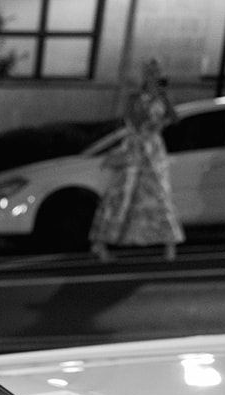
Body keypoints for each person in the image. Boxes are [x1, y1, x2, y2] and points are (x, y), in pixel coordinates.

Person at [89, 58, 185, 263]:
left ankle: (169, 246)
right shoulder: (135, 98)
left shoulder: (164, 97)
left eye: (157, 73)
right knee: (121, 194)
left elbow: (175, 118)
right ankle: (100, 244)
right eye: (150, 73)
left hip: (154, 149)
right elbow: (132, 121)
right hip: (137, 147)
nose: (154, 76)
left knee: (158, 194)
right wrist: (149, 122)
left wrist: (162, 120)